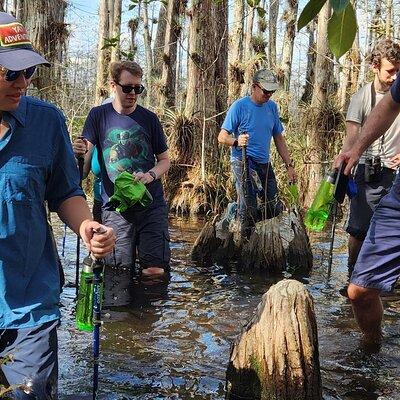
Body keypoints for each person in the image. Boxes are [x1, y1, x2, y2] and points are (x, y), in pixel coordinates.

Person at [0, 11, 115, 399]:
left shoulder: (47, 122)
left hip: (30, 302)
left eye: (28, 72)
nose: (22, 84)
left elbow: (66, 192)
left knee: (28, 393)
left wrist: (87, 227)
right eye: (10, 74)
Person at [73, 60, 171, 282]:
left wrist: (150, 175)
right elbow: (85, 146)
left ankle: (148, 317)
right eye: (127, 88)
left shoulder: (149, 119)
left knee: (154, 271)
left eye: (138, 88)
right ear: (113, 86)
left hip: (150, 202)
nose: (133, 93)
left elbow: (164, 160)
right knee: (118, 272)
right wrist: (79, 149)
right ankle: (124, 316)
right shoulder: (98, 115)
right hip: (115, 207)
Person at [336, 56, 400, 346]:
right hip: (371, 174)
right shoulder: (363, 96)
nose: (393, 75)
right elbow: (387, 107)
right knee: (358, 289)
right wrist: (354, 151)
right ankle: (372, 346)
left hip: (393, 172)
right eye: (390, 70)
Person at [218, 69, 296, 233]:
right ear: (254, 87)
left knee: (274, 207)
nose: (269, 95)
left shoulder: (272, 108)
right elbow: (222, 137)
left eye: (272, 91)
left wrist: (289, 165)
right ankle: (242, 237)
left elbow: (279, 138)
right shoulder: (239, 106)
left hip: (263, 162)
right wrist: (236, 141)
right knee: (250, 207)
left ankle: (236, 212)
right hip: (243, 160)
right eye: (266, 91)